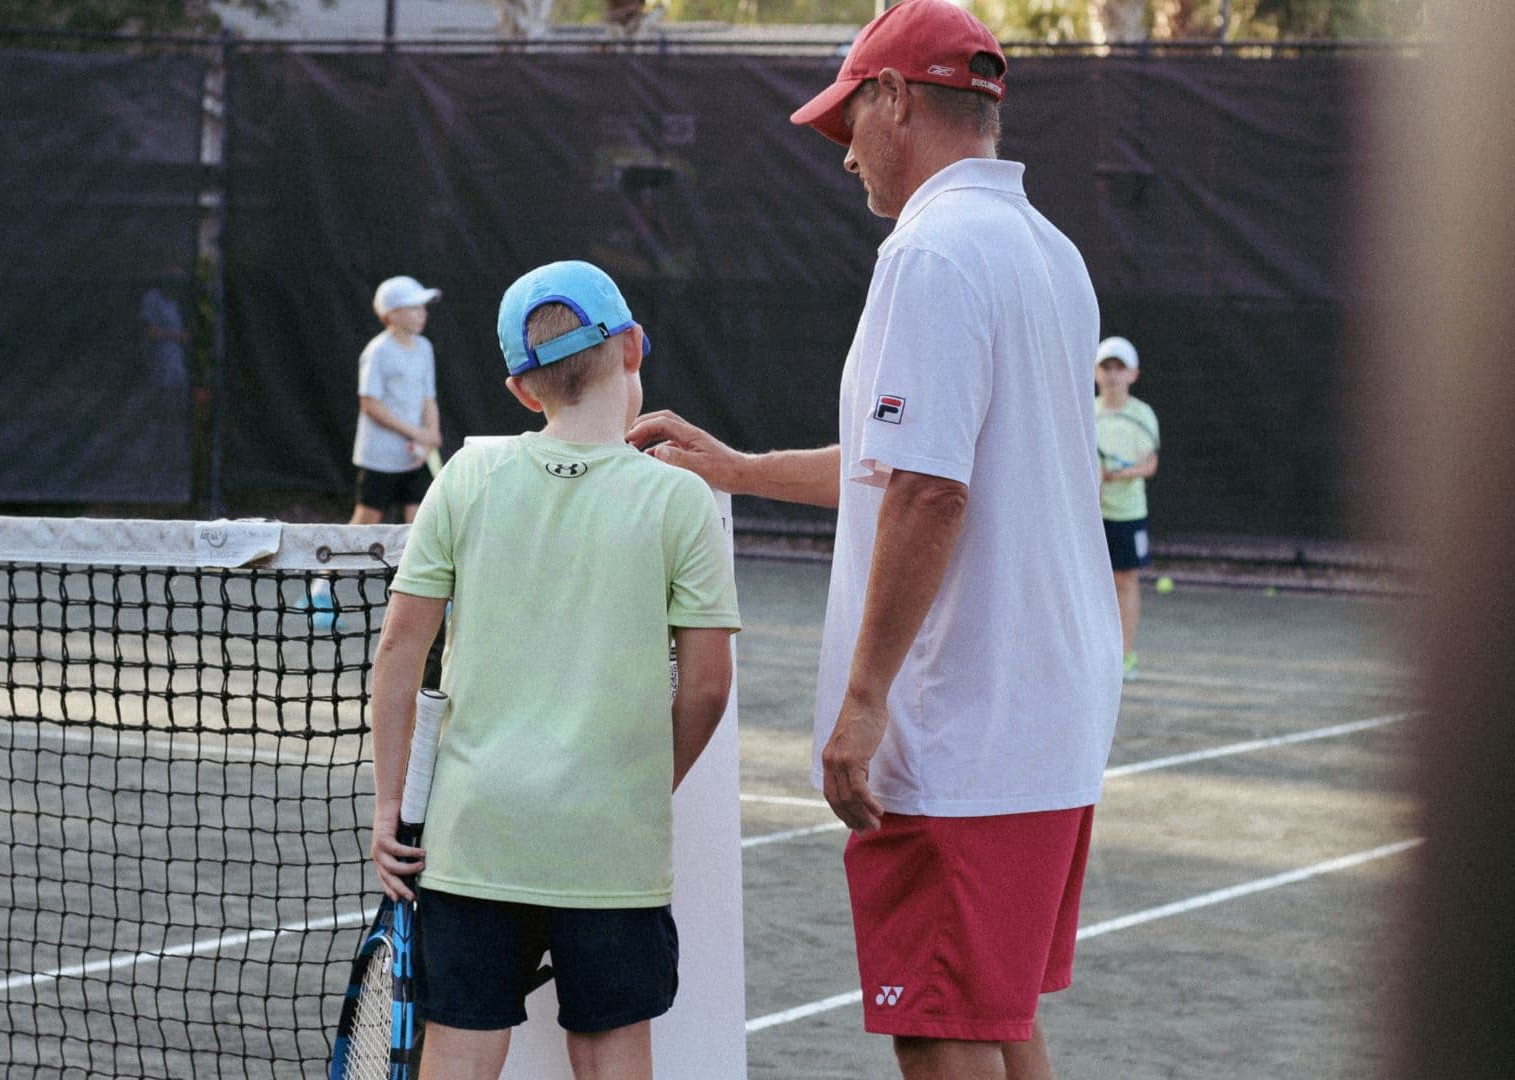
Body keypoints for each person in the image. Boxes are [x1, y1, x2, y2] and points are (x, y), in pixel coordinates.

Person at [626, 2, 1121, 1077]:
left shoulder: (930, 254)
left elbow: (930, 495)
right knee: (1000, 1016)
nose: (844, 153)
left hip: (958, 723)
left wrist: (863, 701)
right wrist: (743, 470)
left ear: (896, 97)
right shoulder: (1050, 251)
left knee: (940, 1031)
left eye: (847, 120)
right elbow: (911, 468)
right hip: (1045, 713)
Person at [368, 260, 740, 1080]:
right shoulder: (679, 499)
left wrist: (390, 802)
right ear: (634, 347)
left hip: (475, 836)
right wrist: (645, 781)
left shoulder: (466, 477)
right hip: (610, 844)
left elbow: (398, 651)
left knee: (459, 1055)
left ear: (520, 388)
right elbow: (709, 685)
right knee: (613, 1056)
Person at [1093, 335, 1161, 682]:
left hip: (1129, 513)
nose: (1113, 375)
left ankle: (1126, 656)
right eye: (1106, 367)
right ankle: (1091, 657)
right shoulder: (1085, 414)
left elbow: (1150, 465)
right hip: (1090, 517)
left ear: (1133, 374)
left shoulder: (1142, 415)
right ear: (1095, 372)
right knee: (1087, 585)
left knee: (1126, 581)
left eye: (1120, 368)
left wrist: (1120, 474)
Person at [351, 274, 444, 525]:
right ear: (391, 314)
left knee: (417, 524)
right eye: (413, 308)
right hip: (380, 458)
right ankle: (333, 566)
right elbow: (370, 404)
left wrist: (432, 433)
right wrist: (416, 432)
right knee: (366, 521)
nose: (422, 314)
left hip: (415, 457)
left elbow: (428, 397)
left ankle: (405, 567)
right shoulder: (378, 351)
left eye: (423, 307)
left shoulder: (424, 348)